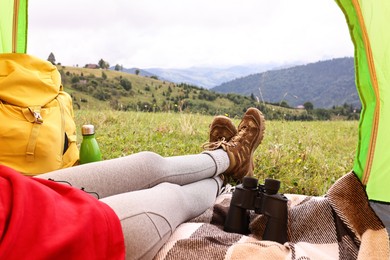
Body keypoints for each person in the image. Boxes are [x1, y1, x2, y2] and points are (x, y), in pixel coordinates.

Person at [0, 107, 265, 260]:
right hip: (47, 240)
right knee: (172, 195)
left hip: (16, 191)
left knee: (148, 164)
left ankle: (229, 157)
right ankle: (222, 179)